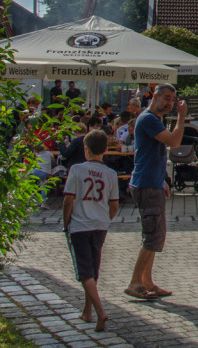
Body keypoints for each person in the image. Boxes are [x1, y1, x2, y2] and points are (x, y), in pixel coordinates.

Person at [125, 83, 187, 301]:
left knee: (155, 236)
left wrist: (162, 180)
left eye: (172, 99)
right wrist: (181, 117)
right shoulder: (149, 119)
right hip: (147, 185)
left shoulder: (152, 119)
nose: (170, 103)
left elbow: (154, 154)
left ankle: (147, 281)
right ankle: (135, 282)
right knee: (152, 236)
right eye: (166, 98)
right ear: (155, 96)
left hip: (152, 183)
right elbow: (175, 142)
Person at [62, 129, 119, 333]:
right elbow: (114, 204)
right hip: (100, 225)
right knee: (94, 268)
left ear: (86, 149)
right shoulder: (111, 174)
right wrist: (106, 218)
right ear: (105, 150)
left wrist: (66, 222)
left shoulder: (77, 170)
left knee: (84, 271)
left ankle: (100, 311)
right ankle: (87, 311)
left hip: (80, 225)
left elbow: (68, 199)